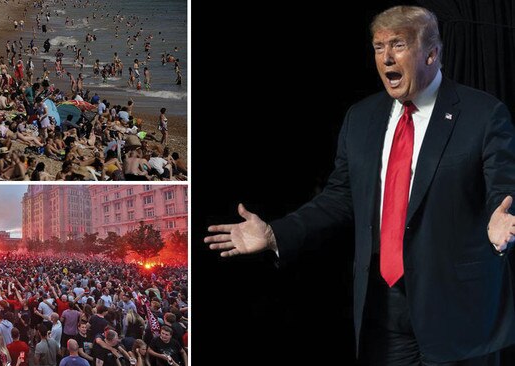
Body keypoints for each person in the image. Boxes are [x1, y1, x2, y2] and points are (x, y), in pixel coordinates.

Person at [205, 5, 515, 366]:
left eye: (398, 45)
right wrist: (276, 234)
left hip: (457, 308)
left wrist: (500, 217)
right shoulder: (362, 118)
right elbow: (339, 199)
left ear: (431, 53)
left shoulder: (483, 113)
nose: (386, 58)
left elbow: (504, 186)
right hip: (383, 309)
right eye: (378, 46)